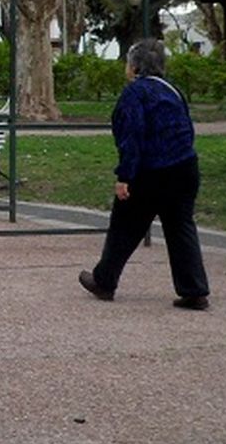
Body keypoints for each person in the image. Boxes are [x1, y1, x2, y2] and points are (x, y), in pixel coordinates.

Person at [79, 38, 211, 310]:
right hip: (185, 166)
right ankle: (194, 290)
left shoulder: (134, 94)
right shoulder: (173, 90)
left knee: (124, 226)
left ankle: (104, 281)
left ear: (135, 66)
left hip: (150, 170)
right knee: (181, 226)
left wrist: (125, 176)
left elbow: (131, 137)